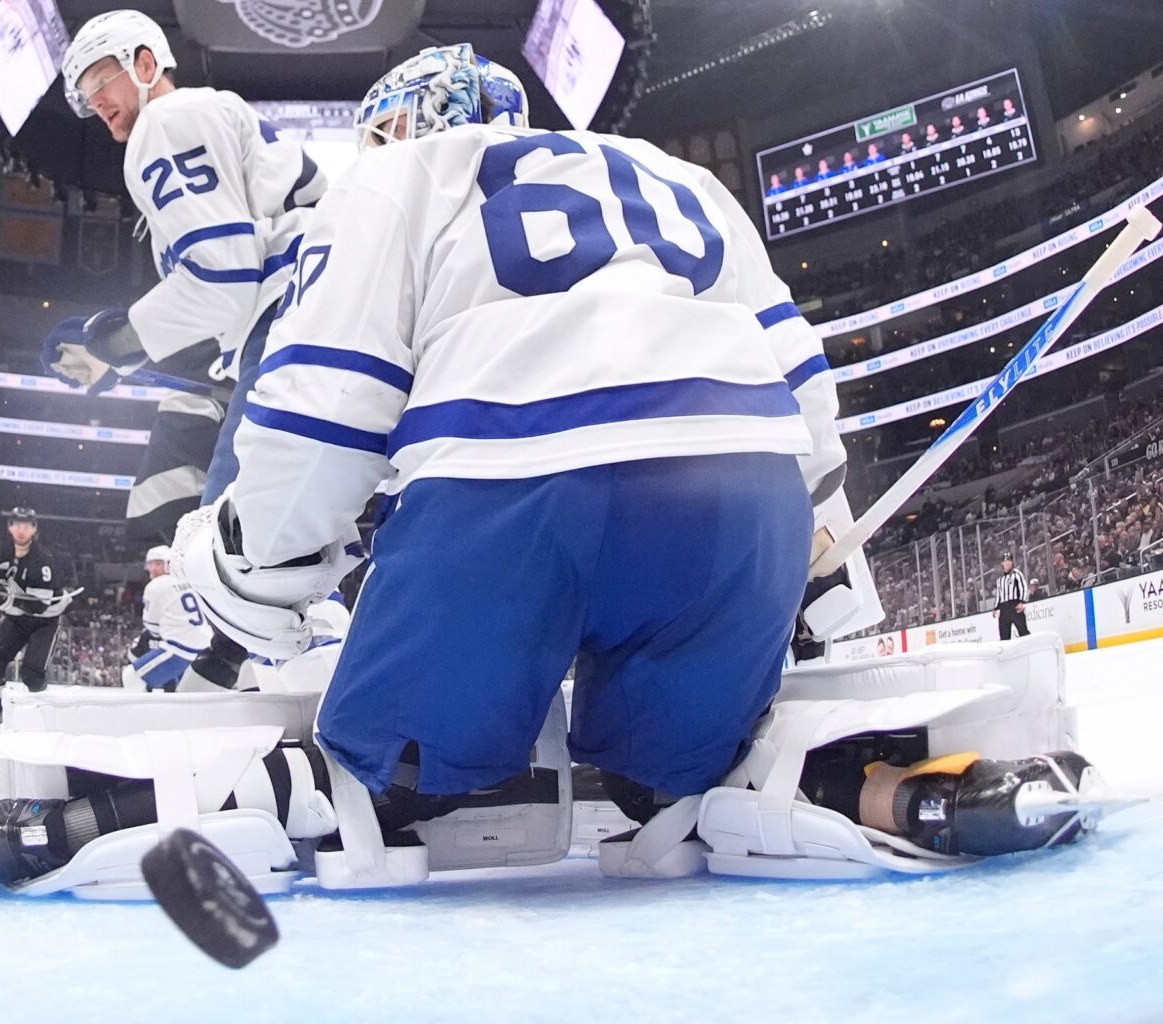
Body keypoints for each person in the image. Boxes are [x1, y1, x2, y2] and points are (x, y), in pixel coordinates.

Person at [179, 44, 846, 817]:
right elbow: (809, 398)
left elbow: (325, 402)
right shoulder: (678, 175)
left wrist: (258, 558)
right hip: (741, 493)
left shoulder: (394, 176)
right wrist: (813, 546)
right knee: (669, 786)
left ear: (398, 125)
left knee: (393, 772)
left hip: (512, 490)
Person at [46, 9, 328, 533]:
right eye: (86, 93)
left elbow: (223, 282)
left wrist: (117, 342)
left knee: (234, 555)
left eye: (101, 79)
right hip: (312, 318)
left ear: (146, 63)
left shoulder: (165, 120)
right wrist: (114, 355)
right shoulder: (199, 116)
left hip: (292, 326)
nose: (96, 100)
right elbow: (230, 299)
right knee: (289, 559)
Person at [0, 508, 70, 732]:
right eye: (17, 524)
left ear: (34, 529)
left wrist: (2, 602)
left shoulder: (42, 559)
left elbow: (38, 605)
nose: (21, 530)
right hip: (18, 618)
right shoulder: (4, 551)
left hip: (45, 621)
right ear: (10, 527)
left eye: (27, 525)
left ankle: (43, 717)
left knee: (32, 673)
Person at [127, 544, 210, 692]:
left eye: (158, 563)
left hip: (181, 647)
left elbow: (151, 626)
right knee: (177, 690)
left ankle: (141, 715)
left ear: (169, 564)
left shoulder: (156, 585)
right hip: (203, 645)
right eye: (151, 564)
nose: (153, 568)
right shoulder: (186, 581)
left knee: (131, 676)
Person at [995, 555, 1030, 640]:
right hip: (1004, 608)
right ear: (1002, 563)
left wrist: (1022, 602)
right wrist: (996, 607)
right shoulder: (1000, 579)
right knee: (1004, 635)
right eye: (1005, 561)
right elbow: (998, 594)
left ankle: (1030, 648)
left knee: (1023, 631)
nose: (1007, 563)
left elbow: (1023, 587)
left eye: (1009, 561)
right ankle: (1005, 652)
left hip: (1014, 605)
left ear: (1012, 562)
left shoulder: (1017, 574)